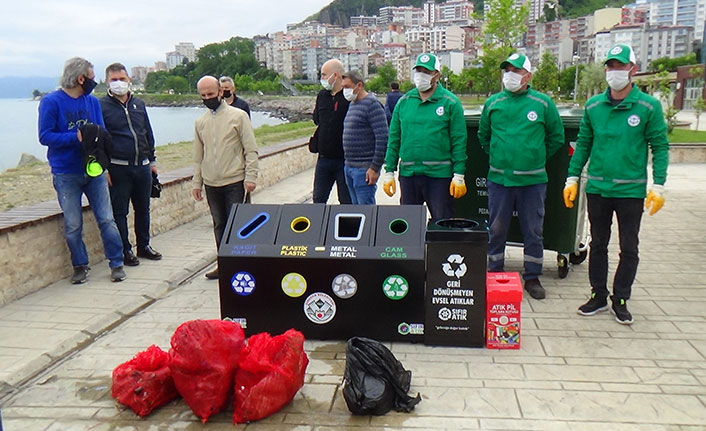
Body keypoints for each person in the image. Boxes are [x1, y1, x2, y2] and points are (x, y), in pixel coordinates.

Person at [563, 44, 669, 324]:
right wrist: (572, 177)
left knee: (629, 247)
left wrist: (659, 185)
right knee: (598, 244)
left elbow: (660, 146)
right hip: (598, 188)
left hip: (630, 191)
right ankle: (598, 294)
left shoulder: (648, 106)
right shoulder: (594, 106)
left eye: (620, 66)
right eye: (610, 66)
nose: (614, 71)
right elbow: (583, 143)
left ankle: (620, 298)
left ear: (632, 70)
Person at [478, 53, 565, 300]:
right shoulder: (493, 103)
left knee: (533, 230)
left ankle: (532, 277)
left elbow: (556, 137)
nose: (510, 75)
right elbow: (484, 137)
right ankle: (494, 272)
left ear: (528, 76)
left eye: (516, 71)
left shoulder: (543, 103)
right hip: (499, 181)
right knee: (496, 229)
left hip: (532, 182)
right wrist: (499, 157)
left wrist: (534, 157)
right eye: (507, 70)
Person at [38, 57, 125, 283]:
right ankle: (80, 265)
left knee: (107, 219)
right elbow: (45, 136)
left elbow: (101, 134)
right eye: (92, 77)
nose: (93, 82)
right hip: (66, 172)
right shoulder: (52, 102)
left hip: (94, 170)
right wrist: (74, 137)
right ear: (80, 78)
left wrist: (105, 167)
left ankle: (117, 262)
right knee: (73, 224)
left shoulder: (92, 102)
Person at [382, 53, 468, 221]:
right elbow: (394, 139)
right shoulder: (405, 101)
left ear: (437, 75)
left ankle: (442, 248)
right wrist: (389, 171)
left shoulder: (450, 102)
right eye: (419, 70)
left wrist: (459, 174)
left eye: (427, 72)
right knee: (408, 226)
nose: (421, 75)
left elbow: (459, 141)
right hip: (409, 175)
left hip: (439, 176)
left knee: (442, 224)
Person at [192, 76, 259, 280]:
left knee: (239, 226)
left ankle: (245, 266)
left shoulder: (238, 116)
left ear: (220, 92)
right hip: (212, 183)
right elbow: (198, 155)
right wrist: (197, 182)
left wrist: (251, 176)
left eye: (210, 94)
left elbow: (251, 149)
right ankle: (224, 265)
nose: (207, 98)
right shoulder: (200, 122)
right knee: (219, 225)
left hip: (236, 181)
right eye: (203, 96)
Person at [100, 63, 162, 267]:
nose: (119, 83)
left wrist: (152, 161)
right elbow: (98, 140)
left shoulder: (139, 104)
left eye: (122, 79)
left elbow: (147, 133)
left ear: (129, 80)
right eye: (114, 80)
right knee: (120, 212)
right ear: (107, 81)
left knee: (143, 208)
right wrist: (105, 168)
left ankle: (144, 246)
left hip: (142, 166)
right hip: (118, 168)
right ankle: (125, 249)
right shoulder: (101, 106)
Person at [340, 70, 389, 204]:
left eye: (347, 87)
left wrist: (374, 167)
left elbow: (382, 137)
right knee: (356, 212)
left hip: (364, 169)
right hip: (349, 166)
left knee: (366, 212)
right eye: (343, 87)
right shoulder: (353, 104)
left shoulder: (372, 105)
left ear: (359, 85)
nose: (345, 91)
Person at [312, 59, 352, 204]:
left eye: (324, 75)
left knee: (346, 201)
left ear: (335, 76)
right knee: (318, 199)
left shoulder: (348, 97)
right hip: (323, 158)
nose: (322, 78)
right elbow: (317, 118)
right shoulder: (322, 96)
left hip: (344, 159)